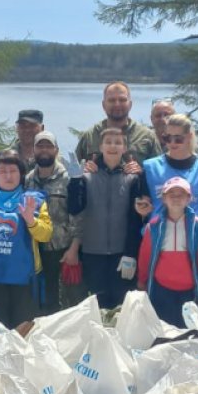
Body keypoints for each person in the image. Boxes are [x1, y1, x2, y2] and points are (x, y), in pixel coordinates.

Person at [66, 127, 150, 309]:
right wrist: (74, 181)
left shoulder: (133, 178)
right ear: (100, 146)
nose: (113, 146)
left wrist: (130, 253)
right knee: (98, 307)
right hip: (93, 254)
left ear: (124, 148)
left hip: (122, 254)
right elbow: (74, 208)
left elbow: (136, 220)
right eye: (108, 142)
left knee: (122, 308)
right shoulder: (87, 175)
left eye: (118, 142)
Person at [0, 150, 53, 328]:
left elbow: (46, 234)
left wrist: (31, 221)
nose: (8, 176)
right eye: (3, 171)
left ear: (22, 173)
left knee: (23, 329)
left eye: (13, 171)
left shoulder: (33, 199)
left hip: (23, 278)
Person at [137, 177, 198, 327]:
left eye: (181, 194)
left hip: (188, 291)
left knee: (187, 333)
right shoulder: (154, 226)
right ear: (164, 198)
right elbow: (145, 257)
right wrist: (142, 280)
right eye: (171, 194)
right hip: (161, 290)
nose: (176, 198)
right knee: (164, 333)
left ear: (189, 198)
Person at [25, 131, 78, 314]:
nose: (44, 150)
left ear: (56, 150)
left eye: (49, 146)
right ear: (33, 150)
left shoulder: (68, 178)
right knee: (41, 301)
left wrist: (74, 249)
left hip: (62, 250)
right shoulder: (28, 179)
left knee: (65, 304)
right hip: (36, 251)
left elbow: (79, 215)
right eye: (40, 146)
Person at [142, 114, 198, 221]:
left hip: (193, 233)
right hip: (159, 234)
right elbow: (145, 202)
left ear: (189, 137)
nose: (172, 143)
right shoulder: (150, 167)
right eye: (167, 138)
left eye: (178, 139)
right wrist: (142, 208)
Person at [75, 81, 159, 164]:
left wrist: (141, 172)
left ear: (130, 104)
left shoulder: (147, 136)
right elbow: (74, 172)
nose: (117, 104)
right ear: (103, 105)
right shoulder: (90, 136)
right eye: (112, 100)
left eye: (122, 100)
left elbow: (159, 172)